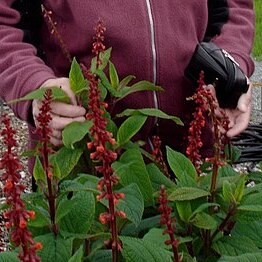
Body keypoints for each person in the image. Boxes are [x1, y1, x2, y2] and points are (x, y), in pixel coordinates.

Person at [0, 0, 255, 172]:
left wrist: (230, 68)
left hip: (195, 159)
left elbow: (233, 8)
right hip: (83, 164)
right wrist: (33, 83)